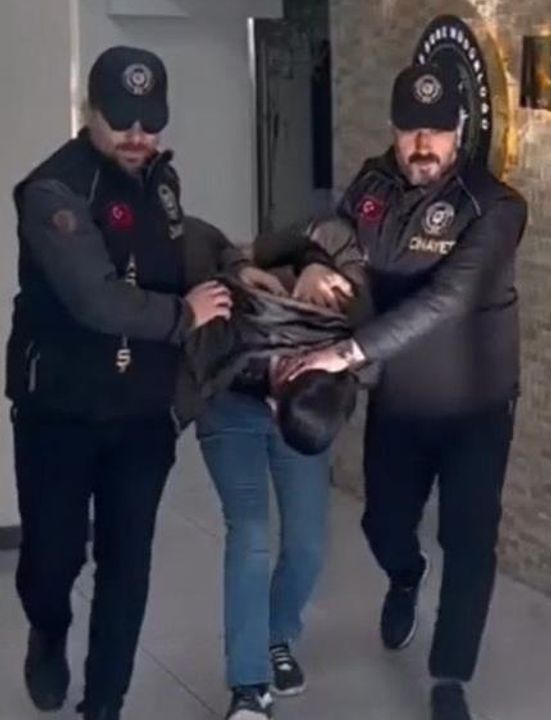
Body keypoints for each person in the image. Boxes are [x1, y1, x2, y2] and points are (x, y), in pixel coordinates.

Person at [6, 46, 271, 720]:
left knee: (127, 565)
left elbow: (182, 236)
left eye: (150, 122)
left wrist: (232, 262)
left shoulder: (160, 179)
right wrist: (185, 316)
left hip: (142, 412)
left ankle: (104, 706)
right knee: (52, 560)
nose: (137, 135)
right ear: (89, 111)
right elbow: (95, 298)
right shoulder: (54, 191)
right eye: (121, 119)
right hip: (59, 408)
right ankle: (48, 630)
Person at [283, 60, 528, 720]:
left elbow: (447, 299)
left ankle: (450, 677)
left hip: (477, 407)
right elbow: (330, 237)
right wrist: (313, 264)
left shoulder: (496, 206)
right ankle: (405, 574)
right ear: (394, 129)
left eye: (436, 131)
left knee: (469, 540)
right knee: (382, 522)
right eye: (410, 130)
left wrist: (345, 352)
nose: (423, 145)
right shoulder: (373, 184)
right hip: (398, 401)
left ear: (460, 129)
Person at [173, 219, 364, 720]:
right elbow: (203, 237)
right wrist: (307, 263)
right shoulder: (298, 300)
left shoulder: (334, 364)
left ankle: (275, 636)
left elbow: (375, 354)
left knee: (308, 546)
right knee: (251, 533)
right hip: (229, 406)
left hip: (305, 415)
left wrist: (299, 402)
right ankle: (248, 685)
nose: (274, 405)